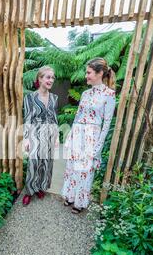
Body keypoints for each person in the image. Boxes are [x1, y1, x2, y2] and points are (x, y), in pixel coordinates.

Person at [61, 58, 117, 214]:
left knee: (85, 170)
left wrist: (98, 147)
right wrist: (70, 136)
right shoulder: (85, 94)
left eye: (89, 73)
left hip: (92, 136)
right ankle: (70, 196)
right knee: (72, 167)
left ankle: (79, 202)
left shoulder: (109, 94)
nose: (86, 76)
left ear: (99, 73)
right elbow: (78, 116)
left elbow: (106, 123)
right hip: (78, 133)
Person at [22, 66, 59, 206]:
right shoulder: (30, 97)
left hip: (50, 134)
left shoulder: (54, 98)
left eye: (52, 77)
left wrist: (57, 137)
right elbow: (27, 119)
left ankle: (40, 187)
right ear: (40, 78)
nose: (51, 80)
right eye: (48, 77)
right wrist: (26, 138)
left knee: (46, 162)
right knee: (34, 162)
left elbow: (55, 118)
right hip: (35, 133)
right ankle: (29, 191)